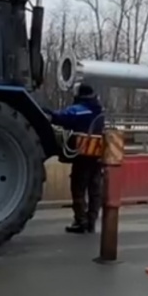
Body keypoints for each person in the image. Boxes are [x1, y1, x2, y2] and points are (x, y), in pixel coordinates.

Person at [50, 84, 106, 234]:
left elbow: (60, 118)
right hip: (97, 155)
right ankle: (92, 221)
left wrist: (46, 111)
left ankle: (81, 221)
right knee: (95, 190)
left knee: (78, 188)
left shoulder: (80, 109)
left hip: (82, 155)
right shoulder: (99, 110)